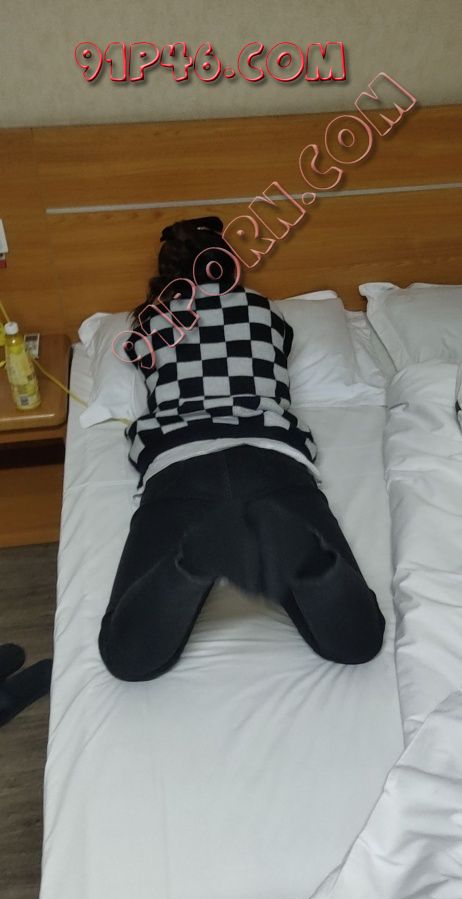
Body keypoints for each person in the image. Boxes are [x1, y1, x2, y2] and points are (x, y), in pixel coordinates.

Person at [98, 216, 385, 681]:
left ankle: (196, 559)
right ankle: (295, 547)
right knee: (357, 643)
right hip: (272, 460)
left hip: (181, 463)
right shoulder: (265, 312)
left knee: (127, 657)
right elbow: (277, 350)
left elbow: (137, 356)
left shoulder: (150, 323)